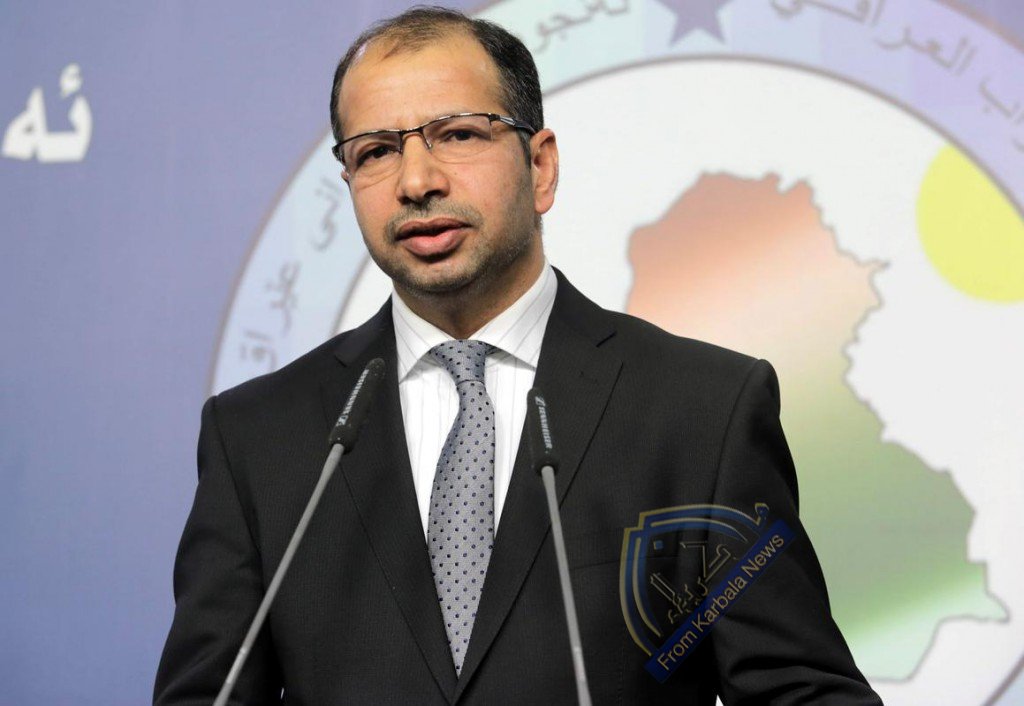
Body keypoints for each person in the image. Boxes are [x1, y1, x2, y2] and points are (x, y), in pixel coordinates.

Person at [155, 7, 882, 704]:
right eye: (376, 151)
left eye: (458, 134)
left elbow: (799, 692)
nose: (416, 182)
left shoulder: (701, 411)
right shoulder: (259, 438)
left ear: (540, 167)